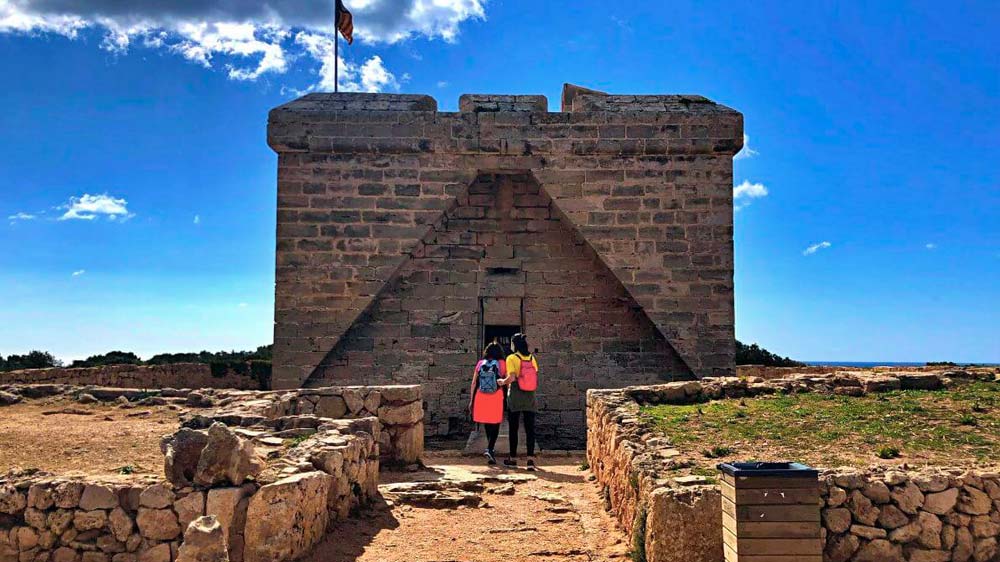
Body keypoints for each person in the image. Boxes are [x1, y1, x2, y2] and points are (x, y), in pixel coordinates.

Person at [469, 341, 510, 465]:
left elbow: (474, 383)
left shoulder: (480, 363)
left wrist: (471, 400)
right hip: (496, 396)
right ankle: (490, 448)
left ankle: (490, 448)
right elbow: (507, 381)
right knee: (496, 422)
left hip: (481, 396)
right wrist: (509, 395)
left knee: (486, 422)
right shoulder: (502, 363)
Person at [504, 333, 539, 470]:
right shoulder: (531, 357)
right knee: (530, 428)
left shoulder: (512, 358)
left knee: (514, 428)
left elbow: (512, 378)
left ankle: (513, 458)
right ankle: (530, 459)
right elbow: (534, 374)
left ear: (514, 344)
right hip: (530, 395)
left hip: (516, 394)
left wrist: (502, 382)